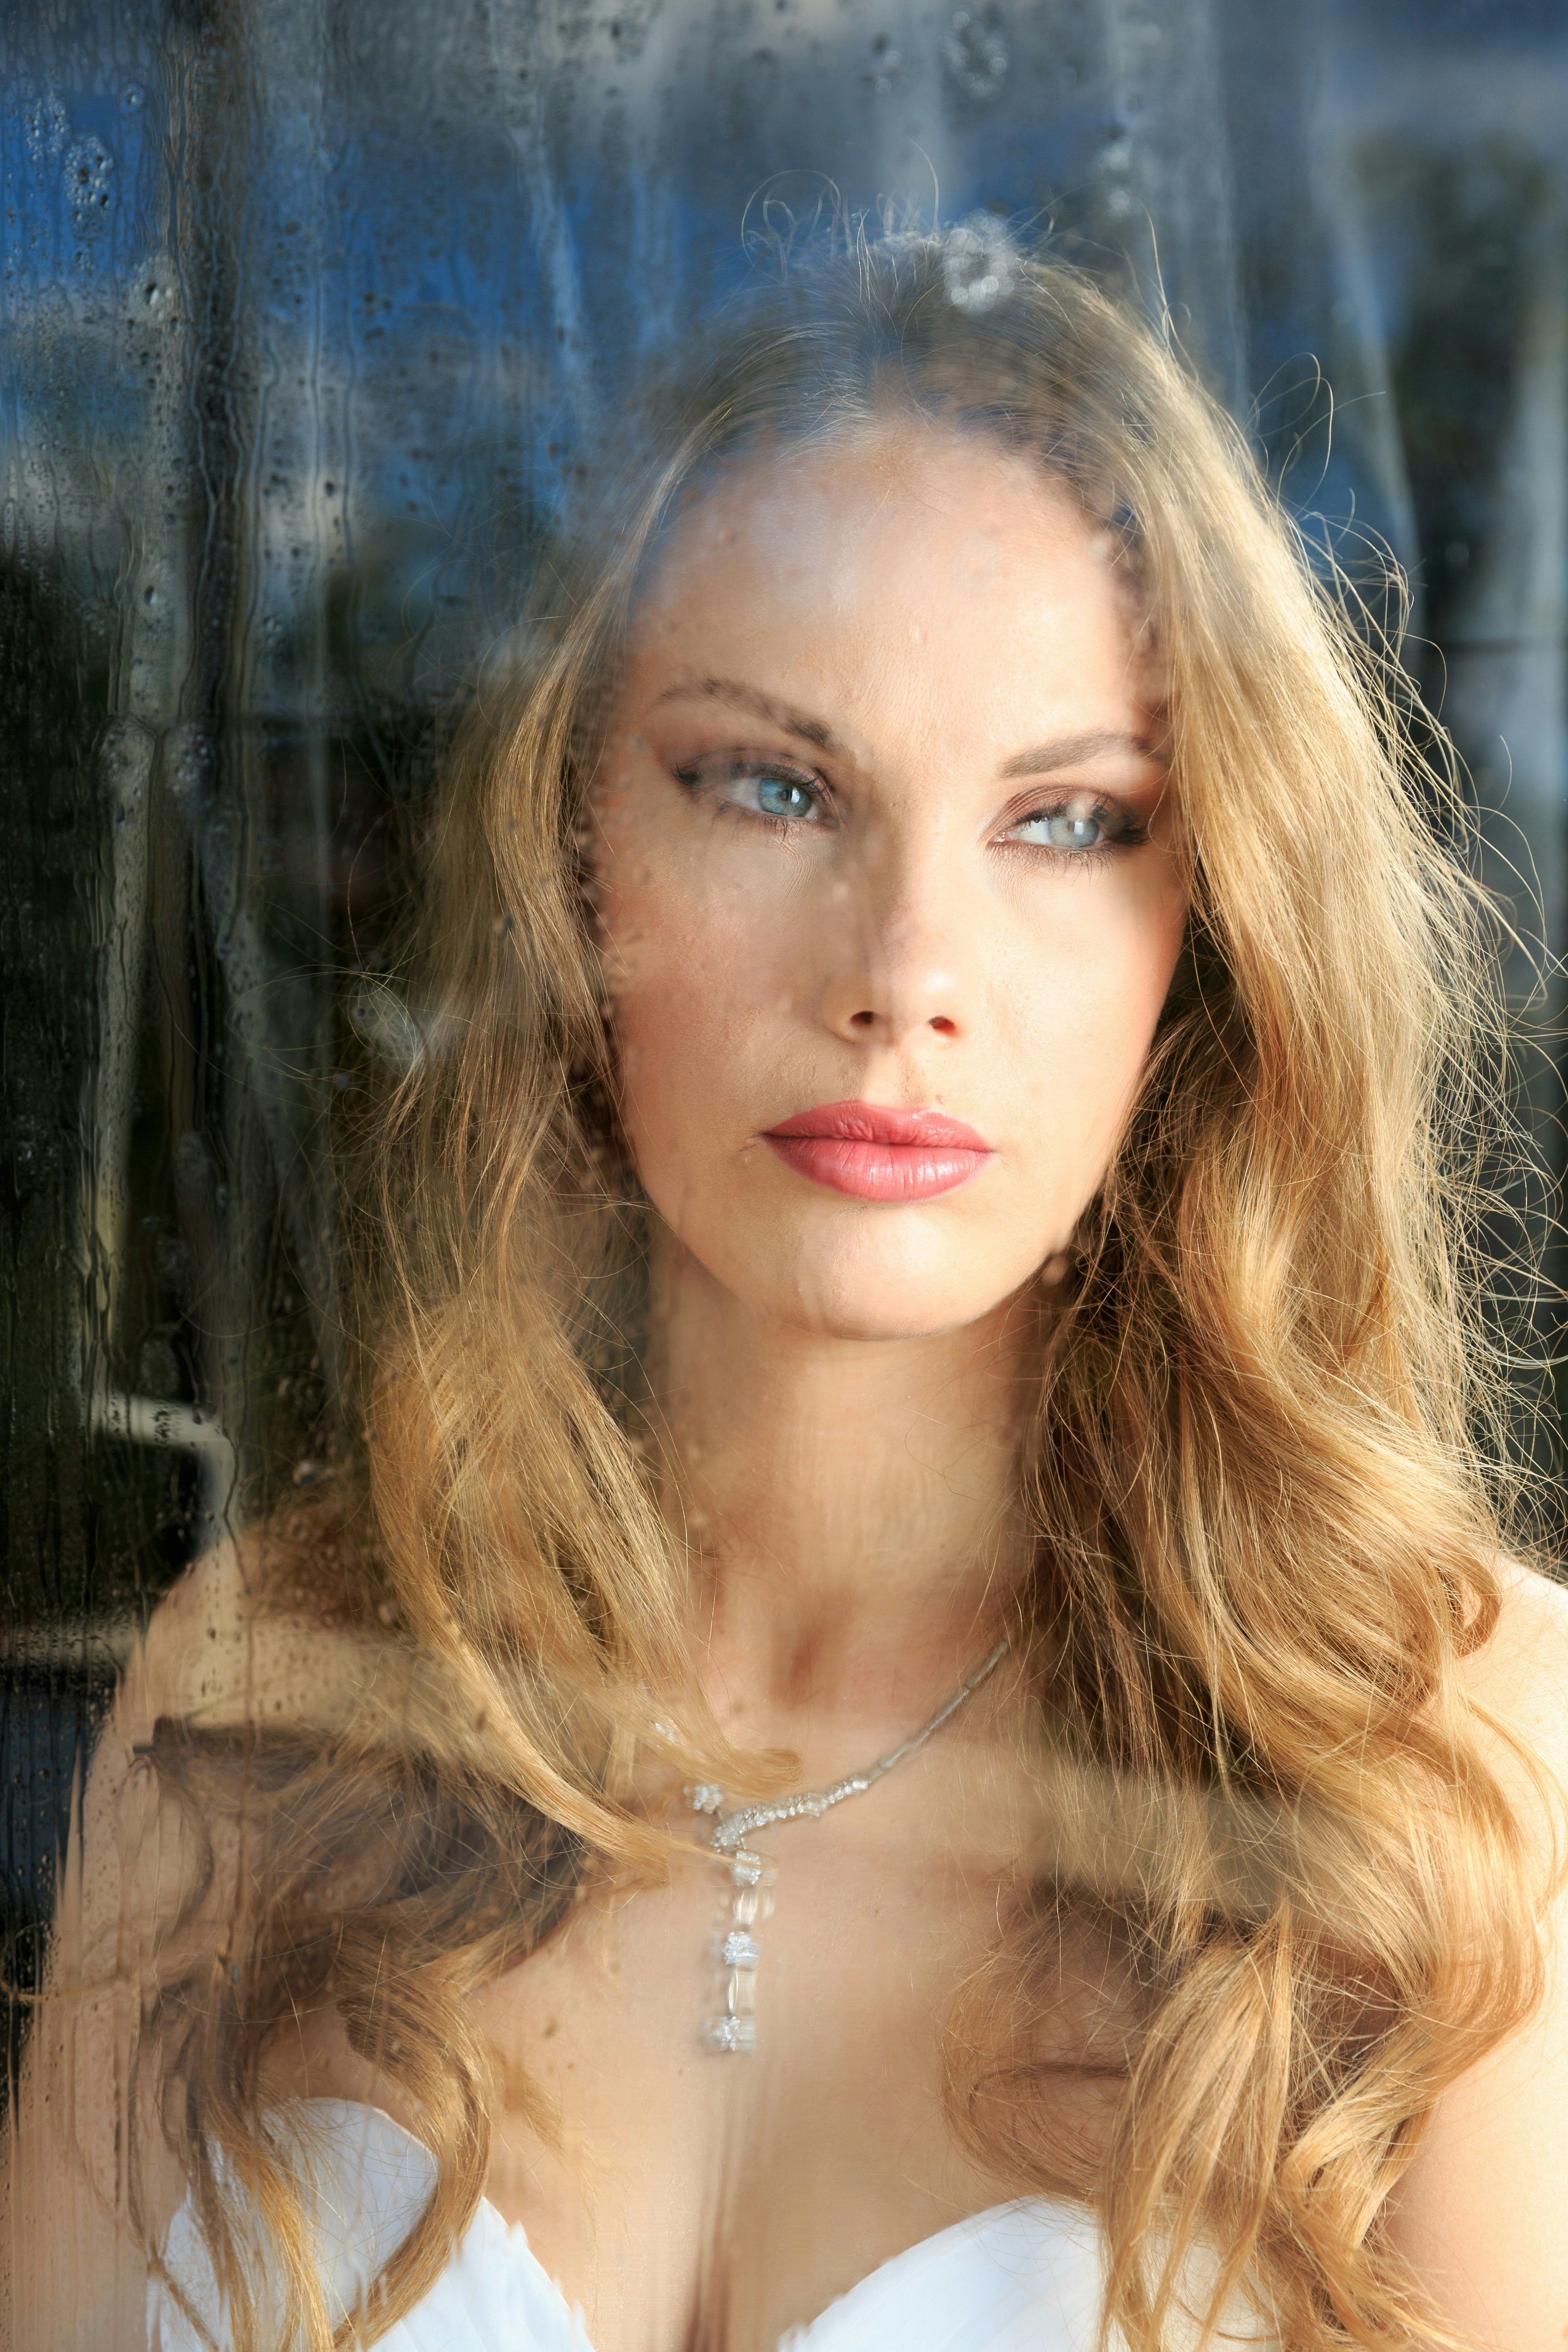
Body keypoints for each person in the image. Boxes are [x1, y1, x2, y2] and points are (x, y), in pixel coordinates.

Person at [7, 223, 1568, 2352]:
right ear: (579, 862)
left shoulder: (1466, 1770)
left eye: (1067, 822)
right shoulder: (262, 1692)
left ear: (1201, 926)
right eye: (771, 784)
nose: (901, 974)